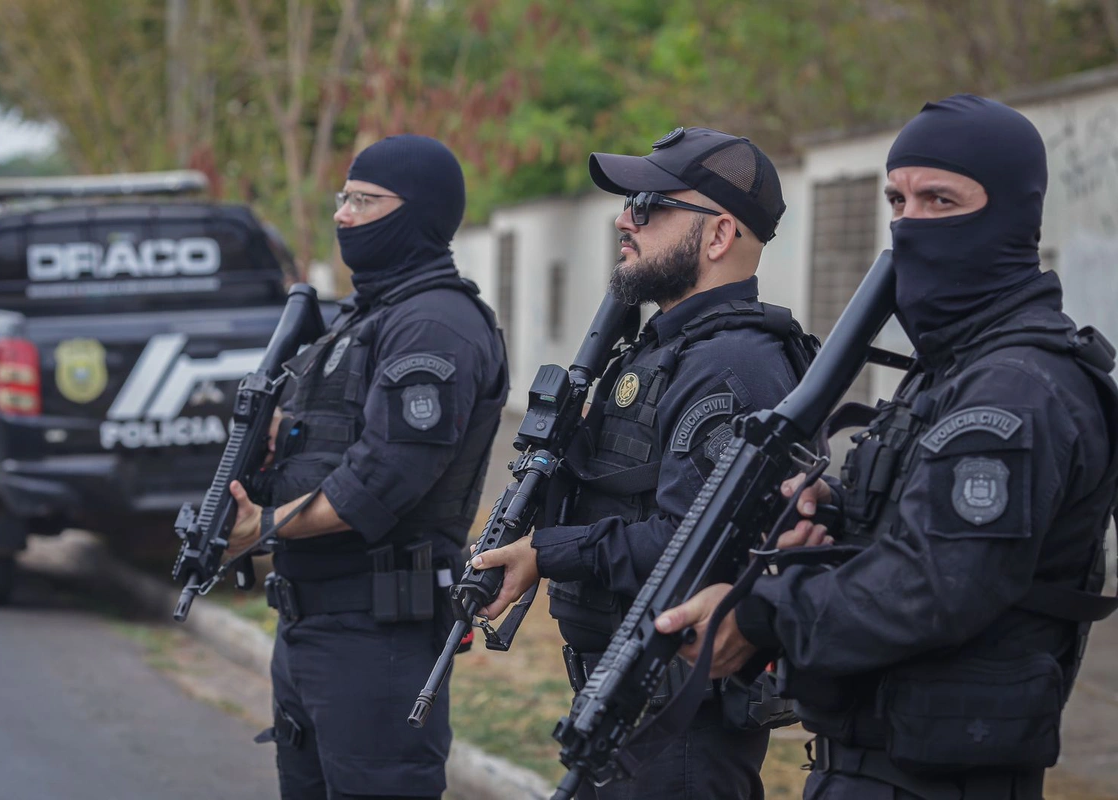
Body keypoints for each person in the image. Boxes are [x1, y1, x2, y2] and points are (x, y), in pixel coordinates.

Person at [657, 95, 1118, 800]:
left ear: (1013, 216)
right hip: (878, 758)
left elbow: (935, 587)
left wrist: (758, 616)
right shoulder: (955, 367)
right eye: (897, 200)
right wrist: (837, 516)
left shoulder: (1016, 389)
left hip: (938, 776)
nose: (909, 225)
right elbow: (929, 533)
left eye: (940, 199)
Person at [471, 126, 817, 799]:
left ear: (718, 237)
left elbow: (692, 547)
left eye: (652, 204)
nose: (626, 219)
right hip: (631, 701)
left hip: (679, 725)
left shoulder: (732, 365)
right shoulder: (663, 348)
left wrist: (547, 550)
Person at [227, 134, 509, 800]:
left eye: (364, 199)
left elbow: (379, 483)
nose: (342, 215)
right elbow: (325, 452)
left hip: (376, 637)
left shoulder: (435, 324)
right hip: (310, 628)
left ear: (420, 212)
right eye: (341, 198)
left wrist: (262, 524)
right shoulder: (356, 322)